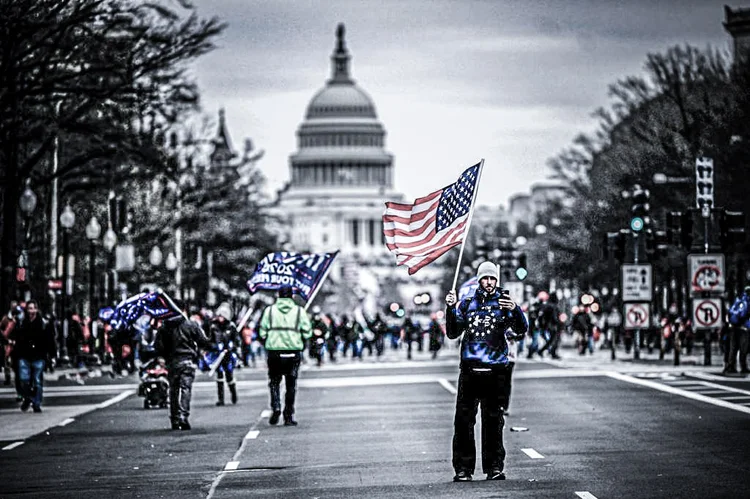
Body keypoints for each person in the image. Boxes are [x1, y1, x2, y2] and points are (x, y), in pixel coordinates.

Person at [445, 261, 528, 482]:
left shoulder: (503, 303)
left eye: (492, 278)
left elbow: (521, 328)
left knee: (493, 422)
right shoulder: (467, 303)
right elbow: (453, 332)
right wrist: (451, 309)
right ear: (479, 280)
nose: (489, 282)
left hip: (495, 371)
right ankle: (463, 469)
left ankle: (494, 468)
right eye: (485, 278)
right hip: (470, 371)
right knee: (464, 422)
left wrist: (515, 310)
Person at [258, 285, 312, 426]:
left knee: (274, 382)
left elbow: (262, 332)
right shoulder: (299, 312)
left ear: (278, 295)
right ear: (292, 296)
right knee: (291, 385)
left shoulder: (269, 311)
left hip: (274, 352)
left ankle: (276, 406)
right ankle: (288, 415)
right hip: (293, 352)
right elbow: (307, 332)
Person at [155, 300, 212, 430]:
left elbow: (158, 346)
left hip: (172, 362)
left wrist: (164, 356)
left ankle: (174, 418)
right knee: (186, 388)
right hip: (188, 360)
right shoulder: (191, 325)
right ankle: (183, 416)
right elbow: (203, 341)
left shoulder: (164, 327)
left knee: (173, 390)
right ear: (183, 310)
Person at [10, 300, 57, 413]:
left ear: (36, 309)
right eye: (29, 308)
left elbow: (50, 340)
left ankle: (36, 403)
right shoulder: (21, 323)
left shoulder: (43, 323)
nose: (31, 311)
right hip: (24, 355)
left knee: (37, 381)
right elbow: (16, 338)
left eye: (33, 308)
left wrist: (52, 356)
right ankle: (29, 397)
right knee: (23, 380)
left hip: (39, 355)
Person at [209, 303, 241, 405]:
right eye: (219, 315)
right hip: (218, 354)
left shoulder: (231, 327)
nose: (220, 317)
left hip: (228, 354)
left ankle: (233, 395)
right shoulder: (213, 327)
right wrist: (214, 346)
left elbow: (237, 340)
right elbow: (210, 340)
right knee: (219, 377)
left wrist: (232, 346)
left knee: (229, 375)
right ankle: (221, 399)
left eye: (222, 316)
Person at [727, 286, 750, 374]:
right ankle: (743, 367)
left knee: (733, 348)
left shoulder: (738, 301)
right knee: (743, 348)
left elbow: (730, 312)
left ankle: (731, 366)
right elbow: (743, 314)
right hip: (743, 327)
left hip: (734, 327)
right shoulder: (746, 302)